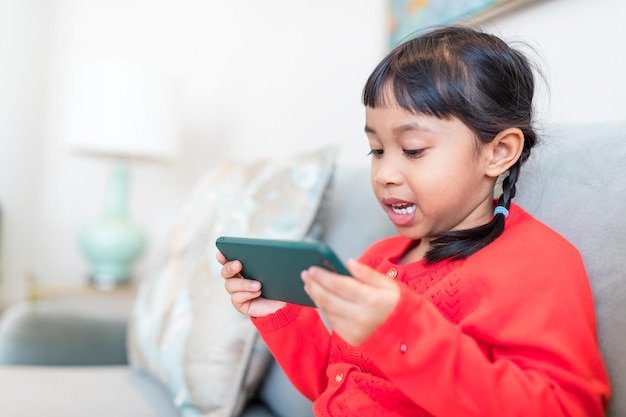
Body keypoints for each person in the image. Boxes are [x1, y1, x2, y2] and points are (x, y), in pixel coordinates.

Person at [218, 26, 610, 416]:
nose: (385, 173)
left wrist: (402, 332)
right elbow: (335, 385)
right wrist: (277, 312)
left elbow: (564, 408)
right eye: (376, 149)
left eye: (413, 149)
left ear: (499, 152)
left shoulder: (534, 261)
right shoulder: (379, 259)